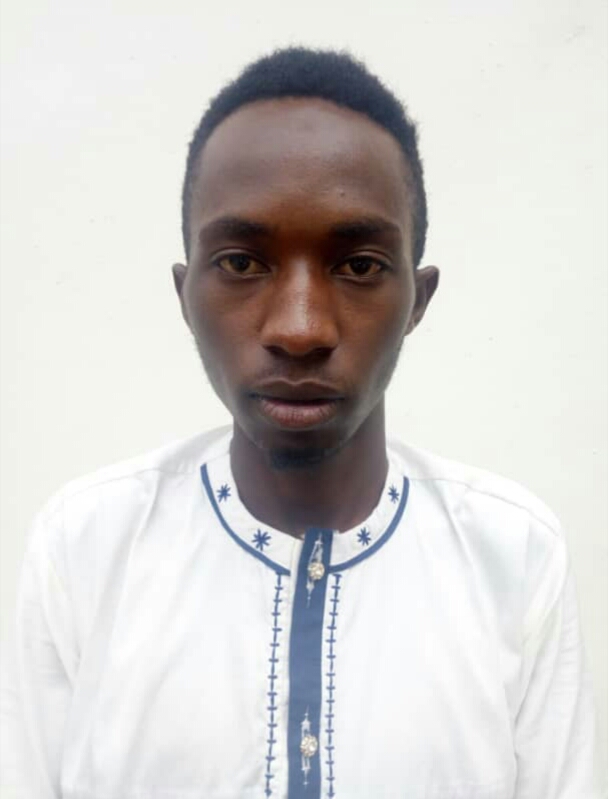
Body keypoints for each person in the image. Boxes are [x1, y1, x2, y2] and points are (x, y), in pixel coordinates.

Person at [1, 48, 604, 799]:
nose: (299, 327)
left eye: (358, 266)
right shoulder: (87, 549)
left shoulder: (513, 558)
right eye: (241, 262)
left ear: (417, 301)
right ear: (186, 295)